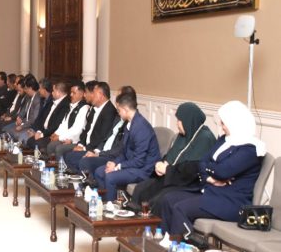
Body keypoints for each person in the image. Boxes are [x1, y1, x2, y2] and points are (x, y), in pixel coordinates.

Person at [158, 101, 264, 237]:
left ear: (235, 123)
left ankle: (181, 245)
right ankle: (165, 241)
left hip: (231, 202)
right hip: (211, 191)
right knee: (168, 199)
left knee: (180, 208)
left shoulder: (251, 150)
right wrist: (210, 178)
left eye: (224, 123)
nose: (222, 127)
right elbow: (203, 161)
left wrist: (211, 169)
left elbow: (223, 171)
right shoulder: (225, 140)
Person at [130, 102, 216, 213]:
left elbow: (192, 170)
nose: (177, 124)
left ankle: (150, 222)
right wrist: (160, 164)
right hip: (172, 176)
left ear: (188, 120)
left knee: (159, 199)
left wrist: (167, 169)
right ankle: (134, 219)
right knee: (141, 188)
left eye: (179, 120)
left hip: (188, 183)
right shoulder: (183, 135)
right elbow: (171, 156)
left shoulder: (205, 139)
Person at [93, 92, 160, 201]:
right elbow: (125, 152)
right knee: (100, 172)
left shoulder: (141, 127)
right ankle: (104, 202)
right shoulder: (129, 124)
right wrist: (114, 163)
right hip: (132, 164)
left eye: (119, 110)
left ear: (125, 109)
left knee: (110, 177)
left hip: (143, 170)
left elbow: (139, 161)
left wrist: (118, 167)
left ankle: (111, 206)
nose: (118, 113)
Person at [46, 82, 89, 157]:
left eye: (74, 93)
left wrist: (60, 137)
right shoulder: (73, 106)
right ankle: (52, 162)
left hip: (76, 140)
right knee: (51, 145)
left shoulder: (84, 108)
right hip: (67, 137)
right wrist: (56, 133)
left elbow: (77, 130)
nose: (71, 95)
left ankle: (61, 164)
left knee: (59, 148)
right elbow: (64, 124)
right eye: (71, 92)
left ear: (82, 94)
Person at [25, 81, 70, 150]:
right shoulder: (52, 101)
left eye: (53, 91)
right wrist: (39, 131)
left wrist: (42, 134)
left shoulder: (65, 105)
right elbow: (43, 118)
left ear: (58, 92)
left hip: (52, 134)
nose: (52, 93)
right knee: (30, 141)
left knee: (35, 143)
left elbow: (56, 125)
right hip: (44, 131)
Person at [3, 76, 41, 143]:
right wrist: (19, 117)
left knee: (18, 136)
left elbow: (33, 119)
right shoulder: (28, 97)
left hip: (31, 126)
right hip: (24, 122)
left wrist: (22, 126)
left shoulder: (37, 100)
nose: (25, 91)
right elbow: (23, 110)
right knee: (6, 130)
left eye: (26, 88)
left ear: (30, 88)